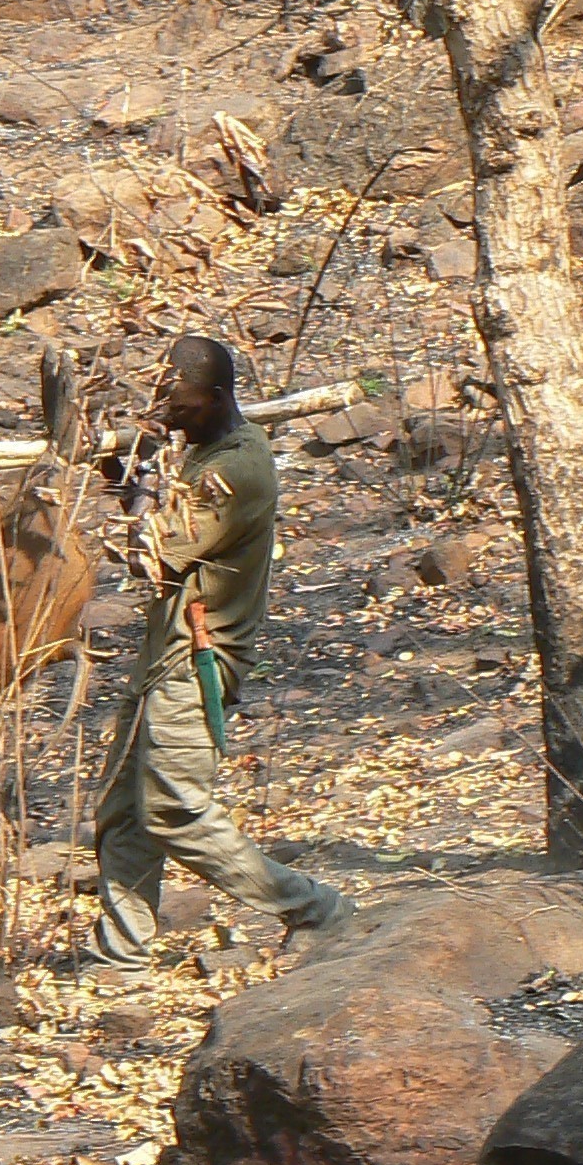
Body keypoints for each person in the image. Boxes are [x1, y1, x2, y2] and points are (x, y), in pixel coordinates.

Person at [84, 336, 351, 979]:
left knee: (176, 811)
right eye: (161, 393)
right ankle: (120, 955)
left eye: (177, 395)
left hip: (193, 660)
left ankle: (316, 908)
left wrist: (140, 473)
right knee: (125, 811)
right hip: (161, 660)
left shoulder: (241, 468)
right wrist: (114, 466)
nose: (165, 405)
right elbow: (148, 519)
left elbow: (154, 549)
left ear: (217, 397)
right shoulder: (204, 453)